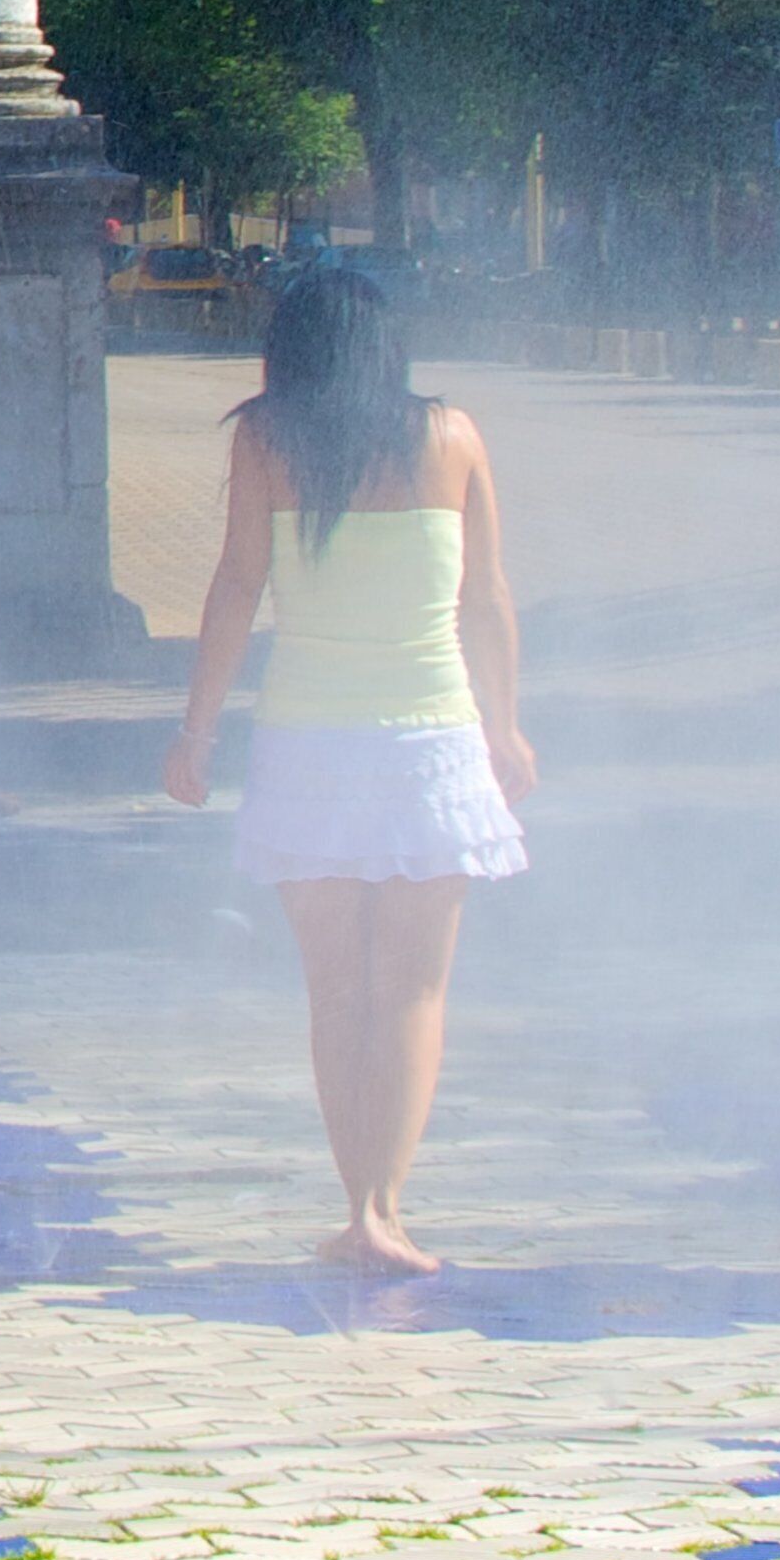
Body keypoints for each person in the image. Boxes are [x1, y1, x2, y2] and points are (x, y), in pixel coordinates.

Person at [162, 268, 534, 1278]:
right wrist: (506, 730)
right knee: (413, 989)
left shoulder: (269, 441)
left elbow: (238, 585)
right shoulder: (453, 437)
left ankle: (355, 1210)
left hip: (310, 745)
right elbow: (486, 597)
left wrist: (196, 733)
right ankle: (390, 1209)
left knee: (336, 989)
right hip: (433, 742)